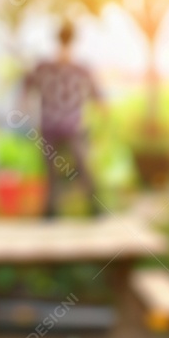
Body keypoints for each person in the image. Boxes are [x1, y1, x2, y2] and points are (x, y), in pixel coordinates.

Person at [20, 21, 104, 217]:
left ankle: (93, 207)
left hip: (67, 125)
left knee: (77, 166)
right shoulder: (53, 67)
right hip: (57, 125)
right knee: (64, 168)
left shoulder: (66, 68)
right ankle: (52, 210)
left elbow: (98, 97)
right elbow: (99, 99)